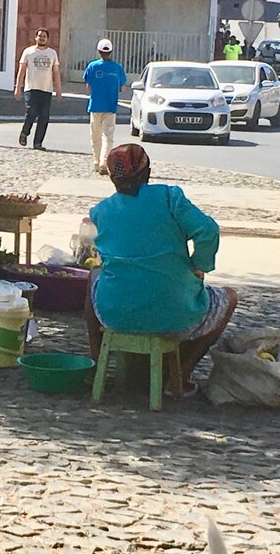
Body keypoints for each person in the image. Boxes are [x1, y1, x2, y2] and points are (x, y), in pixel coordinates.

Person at [84, 144, 238, 395]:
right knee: (229, 297)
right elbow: (208, 231)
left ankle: (94, 364)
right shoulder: (169, 198)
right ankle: (180, 377)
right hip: (177, 314)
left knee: (94, 276)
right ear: (148, 173)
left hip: (115, 314)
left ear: (112, 178)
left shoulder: (101, 211)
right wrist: (200, 265)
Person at [82, 38, 127, 175]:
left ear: (99, 51)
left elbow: (88, 85)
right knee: (108, 136)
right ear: (111, 52)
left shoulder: (92, 66)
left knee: (95, 135)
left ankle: (96, 162)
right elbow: (123, 87)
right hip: (110, 106)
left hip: (95, 105)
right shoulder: (117, 68)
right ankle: (104, 162)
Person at [15, 27, 62, 150]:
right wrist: (17, 88)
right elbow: (21, 71)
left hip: (46, 90)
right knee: (32, 111)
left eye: (44, 36)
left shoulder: (52, 54)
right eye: (39, 36)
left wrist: (58, 90)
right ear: (35, 37)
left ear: (47, 39)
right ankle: (24, 133)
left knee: (44, 117)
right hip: (31, 88)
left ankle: (38, 143)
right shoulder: (28, 52)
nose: (41, 38)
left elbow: (56, 72)